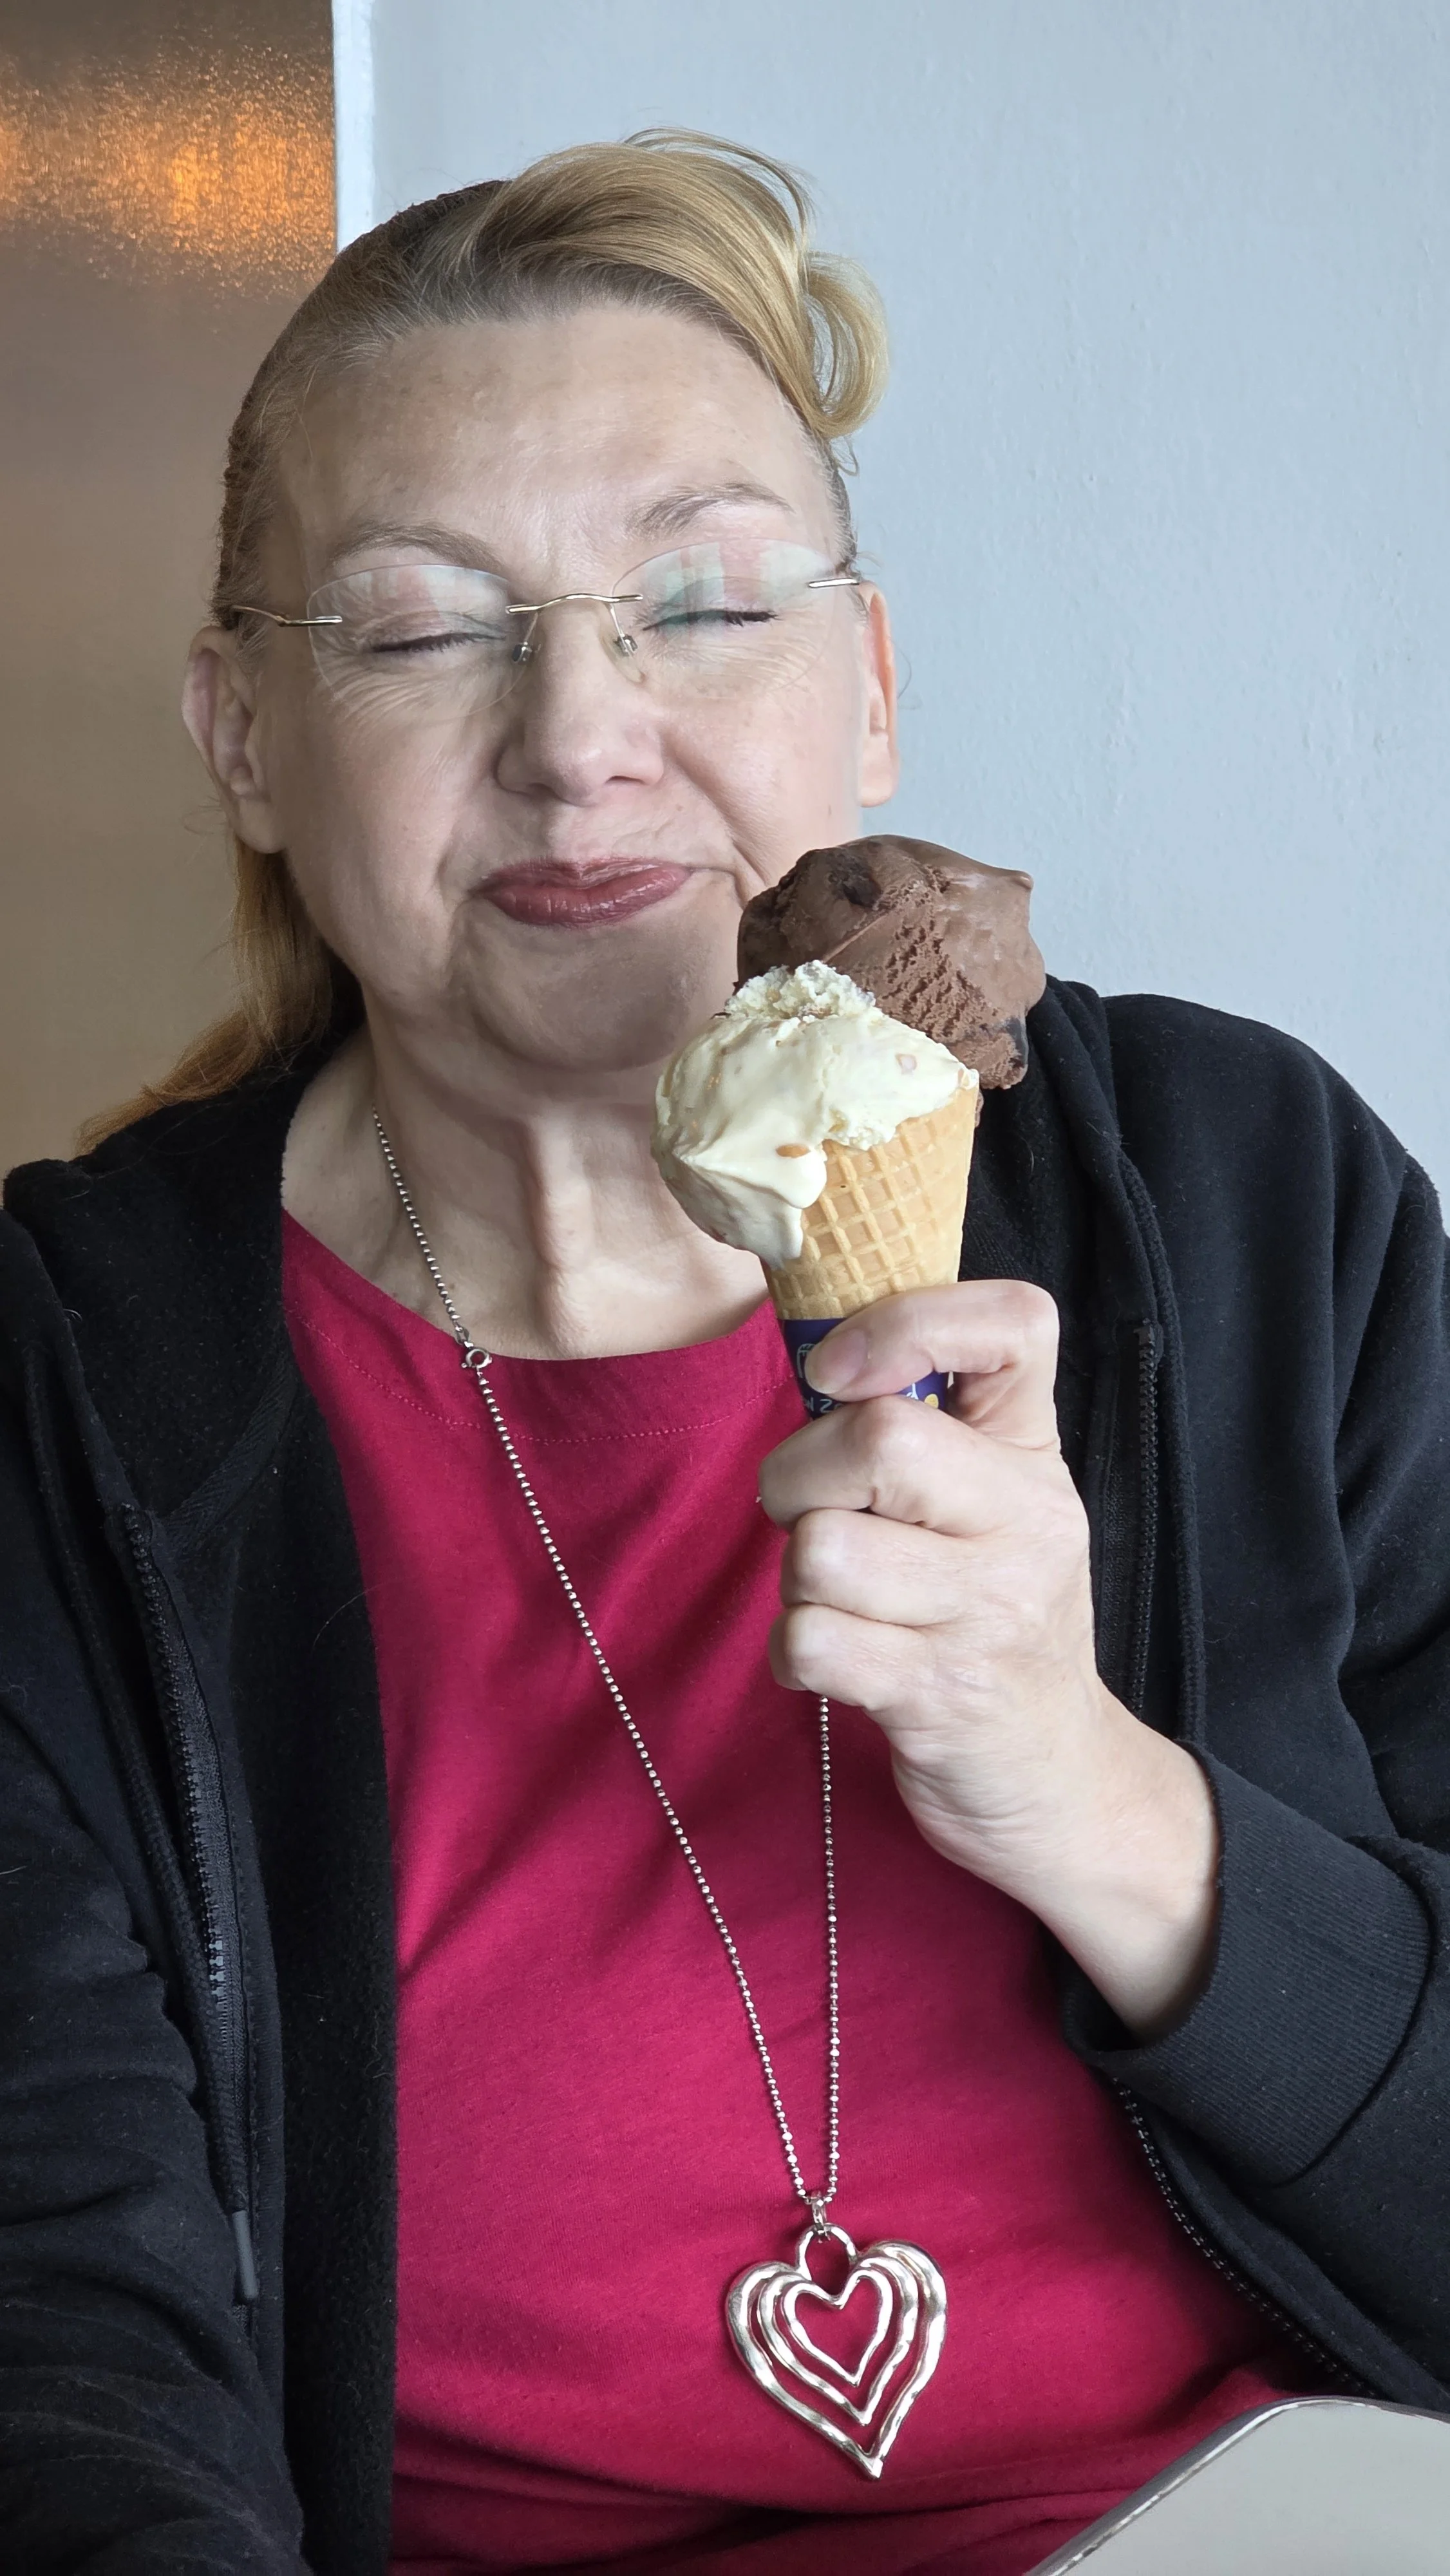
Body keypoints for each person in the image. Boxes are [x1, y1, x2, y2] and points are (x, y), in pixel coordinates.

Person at [0, 131, 1446, 2576]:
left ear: (862, 689)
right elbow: (63, 2329)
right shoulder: (58, 1387)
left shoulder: (1239, 1196)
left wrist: (1090, 1793)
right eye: (424, 627)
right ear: (245, 739)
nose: (583, 737)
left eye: (698, 601)